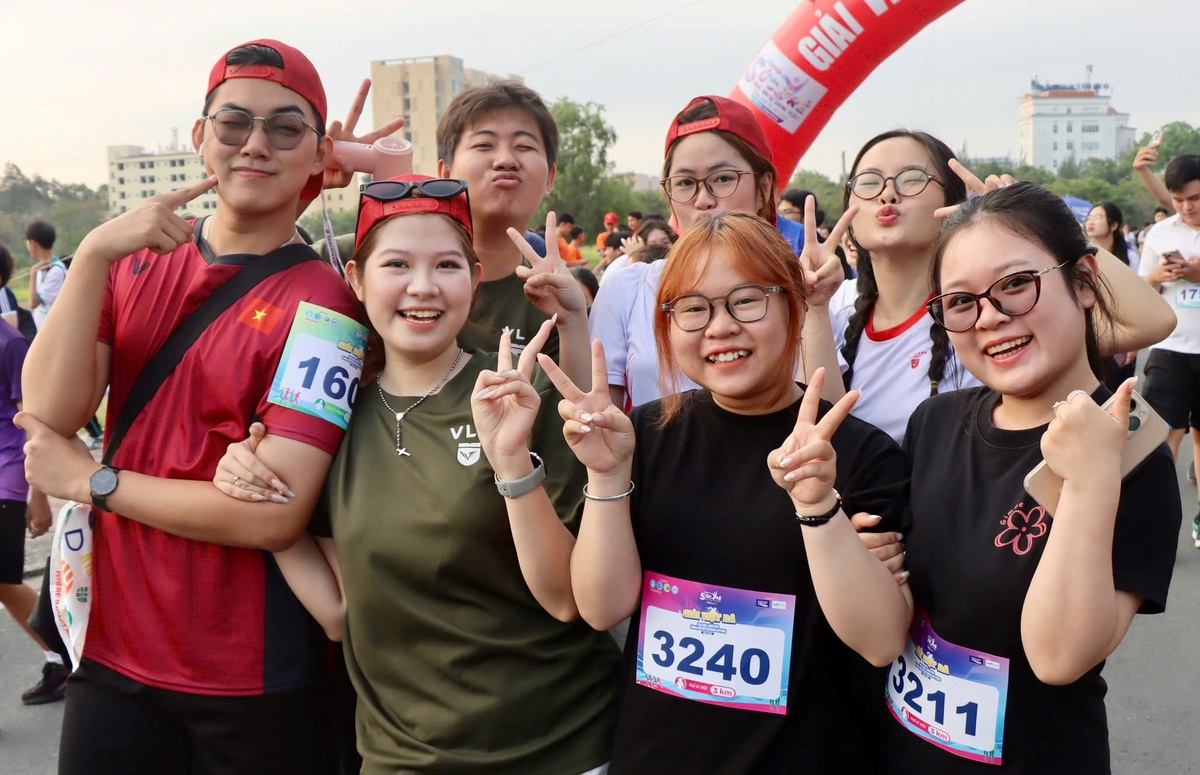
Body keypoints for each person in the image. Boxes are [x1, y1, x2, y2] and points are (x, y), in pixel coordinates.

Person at [19, 39, 365, 773]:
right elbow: (49, 411)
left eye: (285, 128)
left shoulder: (328, 308)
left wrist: (93, 480)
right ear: (201, 136)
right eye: (234, 122)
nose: (255, 144)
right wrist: (93, 255)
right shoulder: (131, 260)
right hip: (111, 646)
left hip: (251, 673)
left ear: (318, 154)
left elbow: (272, 516)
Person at [215, 175, 620, 774]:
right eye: (397, 264)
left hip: (558, 748)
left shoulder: (521, 392)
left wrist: (513, 463)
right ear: (357, 280)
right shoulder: (330, 421)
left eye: (447, 266)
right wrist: (260, 486)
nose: (423, 286)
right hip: (398, 758)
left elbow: (567, 598)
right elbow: (339, 612)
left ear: (475, 280)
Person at [548, 212, 909, 772]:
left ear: (793, 305)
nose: (719, 327)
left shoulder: (857, 455)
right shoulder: (642, 436)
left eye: (746, 301)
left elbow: (881, 642)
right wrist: (607, 476)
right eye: (693, 308)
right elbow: (601, 608)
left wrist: (819, 509)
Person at [883, 182, 1180, 772]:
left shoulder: (1134, 456)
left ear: (1085, 283)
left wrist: (1090, 480)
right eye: (960, 301)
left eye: (1017, 283)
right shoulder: (933, 421)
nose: (990, 317)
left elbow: (1059, 657)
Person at [827, 130, 1175, 445]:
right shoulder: (834, 305)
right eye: (868, 183)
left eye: (912, 179)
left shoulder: (985, 313)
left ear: (954, 201)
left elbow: (1150, 321)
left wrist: (1038, 224)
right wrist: (812, 306)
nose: (888, 194)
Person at [590, 95, 839, 411]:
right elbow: (599, 416)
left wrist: (814, 308)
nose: (703, 199)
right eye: (685, 183)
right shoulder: (628, 289)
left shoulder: (805, 289)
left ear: (764, 188)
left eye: (722, 179)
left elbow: (830, 419)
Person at [435, 81, 591, 386]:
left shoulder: (558, 301)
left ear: (550, 178)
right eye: (484, 145)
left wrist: (572, 323)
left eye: (524, 147)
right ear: (445, 174)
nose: (506, 160)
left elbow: (578, 406)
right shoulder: (382, 266)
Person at [1137, 154, 1200, 547]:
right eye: (1178, 200)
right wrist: (1158, 276)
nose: (1186, 207)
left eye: (1194, 198)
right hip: (1170, 348)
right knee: (1160, 438)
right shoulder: (1160, 233)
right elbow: (1141, 289)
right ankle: (1156, 524)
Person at [0, 307, 61, 705]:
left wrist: (39, 494)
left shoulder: (10, 344)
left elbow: (34, 420)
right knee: (5, 584)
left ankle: (66, 655)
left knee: (4, 581)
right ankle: (64, 655)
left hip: (6, 476)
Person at [1086, 202, 1139, 389]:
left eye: (1098, 217)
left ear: (1114, 225)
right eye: (1089, 218)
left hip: (1120, 335)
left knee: (1118, 393)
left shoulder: (1129, 258)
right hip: (1089, 335)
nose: (1091, 222)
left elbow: (1135, 300)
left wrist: (1134, 343)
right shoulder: (1080, 256)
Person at [598, 218, 676, 282]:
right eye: (653, 245)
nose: (661, 248)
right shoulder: (627, 265)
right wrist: (636, 258)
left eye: (665, 242)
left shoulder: (679, 267)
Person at [25, 220, 65, 331]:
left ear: (33, 244)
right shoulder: (43, 267)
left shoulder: (56, 270)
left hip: (52, 332)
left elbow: (33, 303)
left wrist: (33, 273)